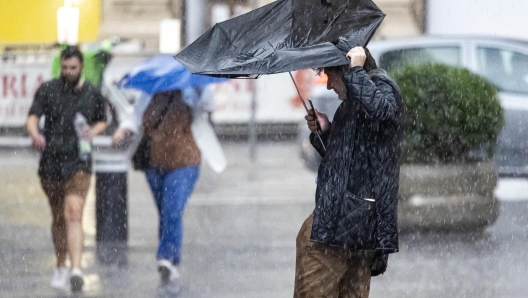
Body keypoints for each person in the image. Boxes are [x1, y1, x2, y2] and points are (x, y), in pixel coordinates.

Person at [294, 46, 402, 298]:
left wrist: (355, 71)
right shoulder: (351, 104)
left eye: (329, 74)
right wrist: (324, 132)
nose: (329, 84)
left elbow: (383, 113)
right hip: (348, 227)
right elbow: (349, 161)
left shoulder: (383, 89)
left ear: (346, 68)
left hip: (341, 229)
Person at [26, 47, 107, 292]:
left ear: (81, 67)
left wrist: (96, 130)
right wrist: (34, 134)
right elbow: (32, 117)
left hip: (79, 161)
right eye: (65, 68)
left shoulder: (92, 93)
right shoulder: (48, 89)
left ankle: (76, 269)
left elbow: (103, 119)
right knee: (58, 217)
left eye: (72, 68)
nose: (68, 72)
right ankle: (60, 265)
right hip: (51, 161)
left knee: (74, 213)